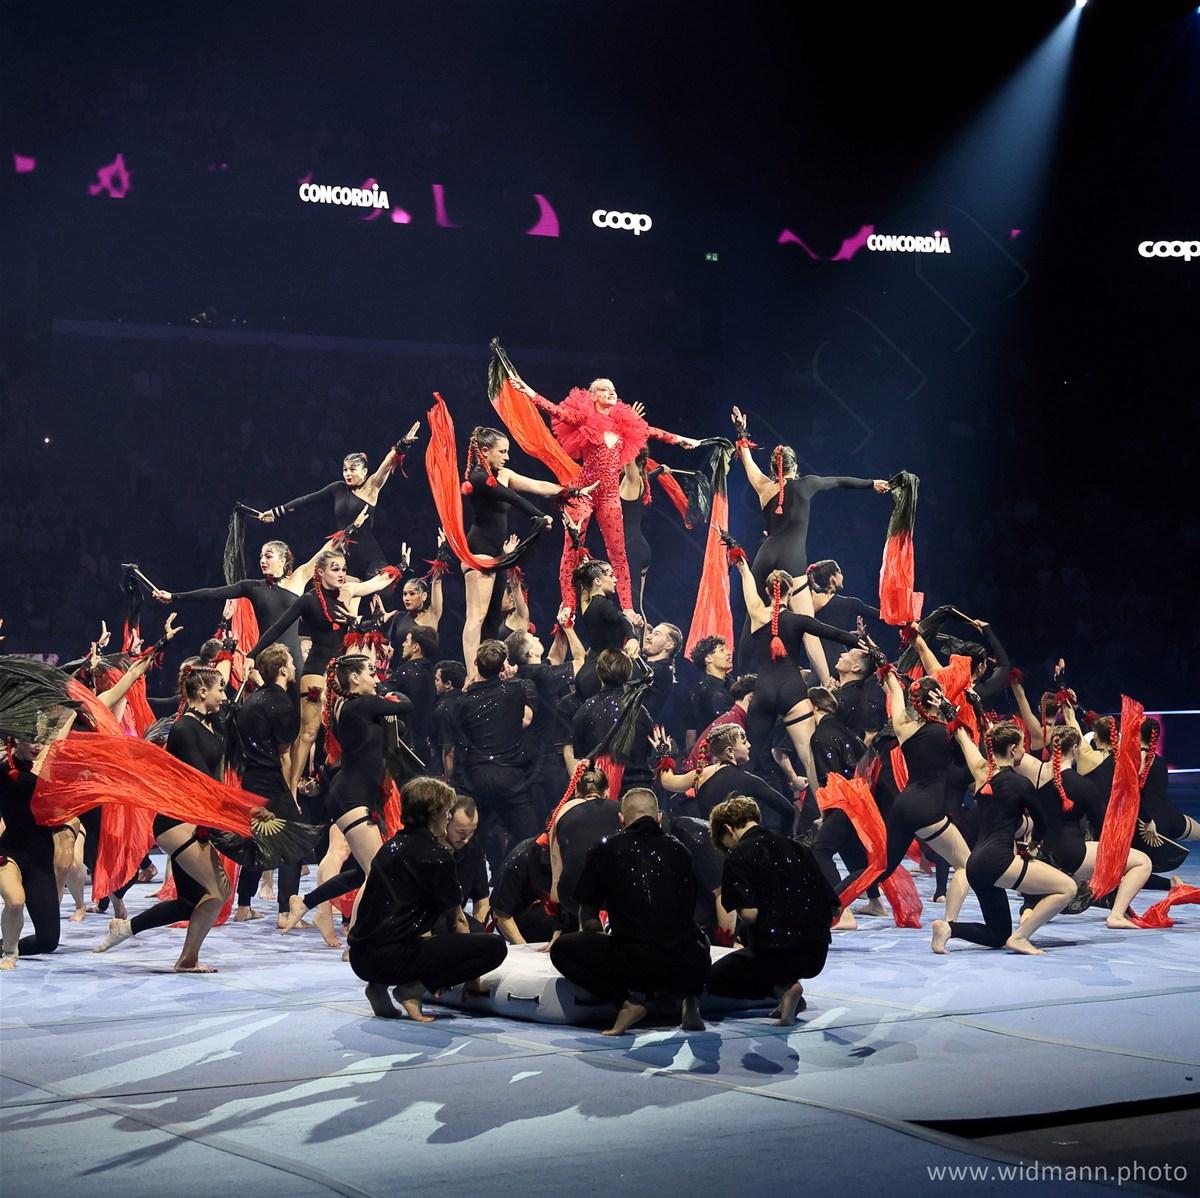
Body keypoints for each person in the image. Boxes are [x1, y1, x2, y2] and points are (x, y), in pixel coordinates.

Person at [507, 372, 700, 617]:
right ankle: (568, 603)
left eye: (613, 389)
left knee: (618, 552)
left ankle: (627, 607)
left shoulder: (622, 425)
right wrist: (529, 392)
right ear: (593, 396)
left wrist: (681, 439)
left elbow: (651, 431)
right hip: (583, 492)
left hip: (609, 496)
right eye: (604, 389)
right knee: (573, 545)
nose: (611, 392)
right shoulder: (585, 418)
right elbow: (558, 412)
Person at [93, 666, 234, 972]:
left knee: (189, 902)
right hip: (176, 820)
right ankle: (187, 958)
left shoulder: (213, 725)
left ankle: (128, 929)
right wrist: (235, 810)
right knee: (216, 892)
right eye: (220, 689)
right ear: (202, 692)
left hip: (196, 818)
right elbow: (203, 780)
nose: (225, 696)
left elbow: (218, 774)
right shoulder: (183, 729)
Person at [729, 406, 888, 663]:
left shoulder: (763, 486)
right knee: (809, 630)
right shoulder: (808, 484)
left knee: (752, 617)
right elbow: (839, 481)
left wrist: (741, 431)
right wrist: (872, 484)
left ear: (773, 468)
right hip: (792, 558)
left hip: (765, 554)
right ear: (794, 466)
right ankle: (825, 680)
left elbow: (747, 460)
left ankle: (740, 675)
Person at [550, 788, 709, 1036]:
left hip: (635, 966)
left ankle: (626, 1003)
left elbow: (589, 918)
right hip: (684, 964)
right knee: (700, 939)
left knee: (563, 949)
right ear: (659, 817)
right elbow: (689, 911)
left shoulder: (605, 849)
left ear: (621, 819)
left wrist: (597, 936)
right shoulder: (680, 850)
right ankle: (691, 1003)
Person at [346, 777, 507, 1021]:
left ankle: (377, 987)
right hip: (392, 959)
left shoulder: (390, 847)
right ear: (435, 814)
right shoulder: (436, 856)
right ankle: (412, 990)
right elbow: (457, 921)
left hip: (360, 958)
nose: (449, 818)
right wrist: (470, 977)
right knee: (494, 947)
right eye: (447, 812)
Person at [280, 654, 413, 941]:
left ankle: (306, 902)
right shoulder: (361, 704)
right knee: (377, 872)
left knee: (363, 872)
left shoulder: (349, 707)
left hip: (352, 794)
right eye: (371, 673)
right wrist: (387, 692)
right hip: (352, 797)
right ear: (354, 677)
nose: (376, 679)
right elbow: (406, 705)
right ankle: (355, 941)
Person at [246, 548, 401, 790]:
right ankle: (291, 791)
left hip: (341, 672)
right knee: (308, 733)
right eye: (335, 569)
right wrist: (252, 654)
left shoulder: (347, 591)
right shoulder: (309, 600)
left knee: (344, 730)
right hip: (317, 670)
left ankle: (333, 783)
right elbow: (278, 628)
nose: (341, 574)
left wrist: (400, 567)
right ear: (320, 573)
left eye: (344, 569)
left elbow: (377, 583)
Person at [931, 722, 1078, 955]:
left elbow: (965, 742)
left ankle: (948, 928)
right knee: (1068, 888)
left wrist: (955, 720)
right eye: (1022, 746)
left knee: (997, 934)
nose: (1024, 751)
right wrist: (1033, 842)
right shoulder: (1021, 784)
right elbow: (1043, 824)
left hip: (975, 864)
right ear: (1012, 750)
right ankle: (1021, 937)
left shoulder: (982, 776)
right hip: (998, 860)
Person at [731, 551, 866, 788]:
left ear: (767, 591)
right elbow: (833, 633)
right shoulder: (799, 620)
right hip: (792, 689)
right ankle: (823, 807)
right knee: (809, 759)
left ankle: (732, 804)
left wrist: (742, 566)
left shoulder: (756, 614)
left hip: (763, 690)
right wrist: (864, 644)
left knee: (747, 757)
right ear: (791, 591)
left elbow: (748, 584)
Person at [707, 796, 840, 1024]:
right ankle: (787, 990)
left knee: (713, 980)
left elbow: (750, 915)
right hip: (816, 953)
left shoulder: (739, 855)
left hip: (775, 952)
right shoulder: (798, 848)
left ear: (729, 829)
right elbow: (834, 907)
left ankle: (782, 988)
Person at [456, 425, 572, 671]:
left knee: (492, 618)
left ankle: (490, 669)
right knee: (477, 615)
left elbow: (538, 486)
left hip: (498, 554)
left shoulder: (504, 474)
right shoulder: (478, 477)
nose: (507, 457)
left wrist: (571, 491)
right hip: (479, 550)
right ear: (485, 451)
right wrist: (538, 515)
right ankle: (472, 672)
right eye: (502, 452)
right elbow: (512, 498)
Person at [258, 428, 420, 580]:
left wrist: (401, 445)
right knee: (341, 593)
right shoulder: (338, 488)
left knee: (379, 586)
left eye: (352, 469)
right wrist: (276, 512)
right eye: (345, 469)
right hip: (345, 558)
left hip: (369, 556)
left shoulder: (371, 487)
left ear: (364, 471)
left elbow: (386, 465)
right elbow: (307, 500)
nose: (347, 473)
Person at [230, 643, 302, 927]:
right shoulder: (281, 703)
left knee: (256, 842)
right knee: (292, 844)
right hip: (272, 780)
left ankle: (244, 905)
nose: (295, 668)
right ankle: (286, 912)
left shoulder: (252, 701)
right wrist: (291, 793)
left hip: (250, 780)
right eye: (292, 664)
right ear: (282, 670)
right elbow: (285, 755)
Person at [453, 640, 538, 870]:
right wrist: (510, 681)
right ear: (503, 667)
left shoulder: (463, 702)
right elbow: (526, 719)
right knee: (530, 840)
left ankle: (467, 884)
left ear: (475, 662)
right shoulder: (515, 691)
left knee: (468, 841)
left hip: (476, 779)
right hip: (511, 779)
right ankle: (509, 878)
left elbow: (457, 744)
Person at [657, 724, 798, 832]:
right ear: (730, 751)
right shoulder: (748, 780)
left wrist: (664, 752)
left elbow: (667, 781)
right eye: (744, 741)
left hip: (711, 848)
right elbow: (789, 810)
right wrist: (783, 837)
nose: (749, 745)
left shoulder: (701, 774)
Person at [571, 650, 657, 795]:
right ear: (629, 674)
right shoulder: (640, 711)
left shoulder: (584, 711)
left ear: (598, 672)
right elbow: (649, 751)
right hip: (637, 791)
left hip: (598, 792)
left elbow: (580, 754)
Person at [548, 768, 621, 926]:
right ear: (607, 791)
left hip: (573, 894)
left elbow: (556, 872)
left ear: (577, 793)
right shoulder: (622, 810)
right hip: (616, 892)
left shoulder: (562, 814)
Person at [573, 560, 639, 701]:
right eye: (610, 575)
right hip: (603, 673)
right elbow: (623, 620)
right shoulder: (603, 605)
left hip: (587, 672)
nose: (615, 579)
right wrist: (633, 638)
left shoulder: (589, 605)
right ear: (598, 581)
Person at [619, 449, 667, 621]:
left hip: (633, 550)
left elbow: (628, 456)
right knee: (636, 607)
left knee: (633, 609)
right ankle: (642, 636)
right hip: (637, 547)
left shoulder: (632, 481)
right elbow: (648, 477)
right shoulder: (638, 481)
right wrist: (660, 470)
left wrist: (625, 435)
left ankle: (638, 639)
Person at [490, 836, 555, 945]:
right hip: (520, 918)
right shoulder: (521, 859)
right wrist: (524, 949)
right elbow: (501, 915)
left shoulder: (573, 852)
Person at [442, 794, 490, 930]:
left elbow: (481, 897)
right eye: (460, 832)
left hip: (456, 918)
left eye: (471, 832)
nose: (466, 839)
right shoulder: (429, 851)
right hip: (430, 919)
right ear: (445, 823)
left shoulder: (473, 849)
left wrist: (481, 927)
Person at [686, 635, 734, 750]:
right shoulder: (704, 692)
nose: (729, 653)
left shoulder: (733, 684)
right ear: (708, 659)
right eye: (722, 650)